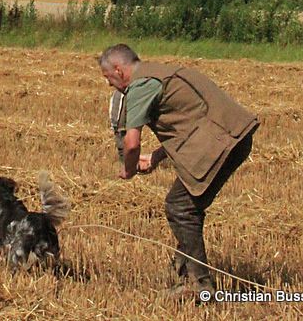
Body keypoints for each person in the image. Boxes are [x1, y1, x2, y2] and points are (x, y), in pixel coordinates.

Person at [98, 44, 258, 301]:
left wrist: (128, 170)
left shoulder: (139, 86)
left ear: (118, 69)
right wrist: (158, 156)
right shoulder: (163, 72)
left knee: (180, 207)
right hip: (236, 136)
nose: (109, 84)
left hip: (220, 141)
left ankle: (200, 285)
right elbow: (189, 124)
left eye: (108, 77)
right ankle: (184, 270)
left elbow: (131, 143)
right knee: (188, 207)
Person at [109, 90, 127, 163]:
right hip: (118, 127)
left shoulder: (123, 95)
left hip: (123, 127)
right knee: (121, 147)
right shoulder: (117, 94)